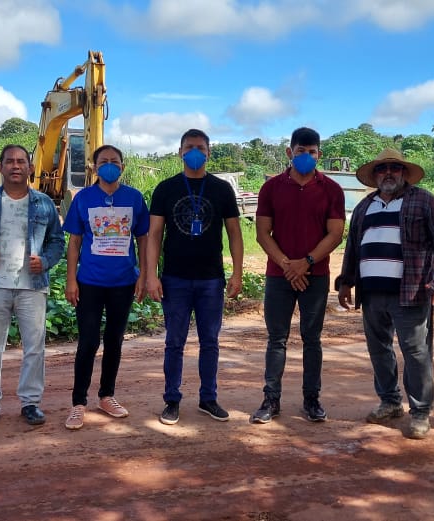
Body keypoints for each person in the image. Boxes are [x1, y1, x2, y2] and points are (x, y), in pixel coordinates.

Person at [335, 148, 434, 439]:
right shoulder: (365, 207)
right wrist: (346, 281)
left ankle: (421, 411)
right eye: (382, 169)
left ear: (403, 173)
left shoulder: (424, 201)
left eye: (394, 168)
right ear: (375, 175)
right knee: (379, 349)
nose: (388, 173)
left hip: (411, 292)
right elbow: (353, 247)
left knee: (416, 351)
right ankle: (390, 401)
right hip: (371, 292)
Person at [0, 145, 65, 433]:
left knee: (35, 348)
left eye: (21, 161)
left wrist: (44, 262)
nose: (16, 166)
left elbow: (58, 241)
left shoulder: (44, 204)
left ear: (30, 168)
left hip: (32, 286)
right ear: (2, 167)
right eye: (10, 161)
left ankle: (30, 403)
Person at [143, 128, 244, 425]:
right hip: (174, 278)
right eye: (189, 147)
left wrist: (236, 273)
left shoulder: (222, 189)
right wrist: (151, 275)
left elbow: (235, 234)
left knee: (210, 341)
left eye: (200, 147)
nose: (195, 151)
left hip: (211, 279)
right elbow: (154, 235)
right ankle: (171, 400)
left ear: (209, 153)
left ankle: (208, 398)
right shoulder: (165, 188)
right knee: (174, 342)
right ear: (180, 152)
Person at [250, 127, 345, 424]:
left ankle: (312, 399)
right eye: (301, 151)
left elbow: (336, 234)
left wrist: (306, 262)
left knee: (311, 339)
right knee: (276, 339)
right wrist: (287, 265)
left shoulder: (331, 189)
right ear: (289, 153)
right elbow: (263, 233)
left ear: (319, 154)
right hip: (279, 276)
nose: (306, 156)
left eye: (312, 152)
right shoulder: (271, 188)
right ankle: (271, 399)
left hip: (315, 276)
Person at [61, 145, 150, 430]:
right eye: (103, 161)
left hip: (123, 283)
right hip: (89, 282)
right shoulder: (83, 198)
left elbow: (144, 240)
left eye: (114, 161)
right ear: (94, 167)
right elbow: (74, 242)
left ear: (122, 166)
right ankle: (78, 403)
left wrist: (144, 275)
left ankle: (106, 395)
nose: (109, 165)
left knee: (115, 341)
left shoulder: (134, 198)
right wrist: (70, 278)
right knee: (88, 342)